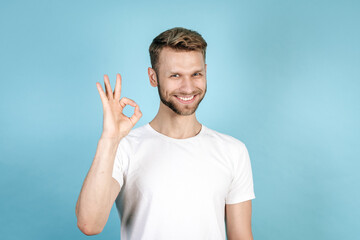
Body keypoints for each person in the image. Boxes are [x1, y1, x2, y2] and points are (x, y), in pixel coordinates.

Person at [75, 27, 255, 240]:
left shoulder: (233, 151)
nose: (188, 87)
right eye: (175, 75)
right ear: (153, 77)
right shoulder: (123, 147)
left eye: (196, 74)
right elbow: (89, 224)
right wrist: (109, 140)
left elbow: (241, 235)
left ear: (205, 71)